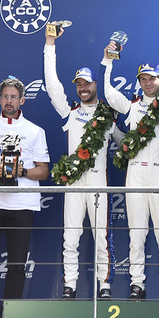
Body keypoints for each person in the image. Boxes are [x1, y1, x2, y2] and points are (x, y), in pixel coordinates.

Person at [102, 46, 159, 300]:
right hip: (135, 174)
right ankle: (138, 284)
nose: (147, 83)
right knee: (136, 234)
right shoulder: (132, 106)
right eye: (143, 79)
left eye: (152, 78)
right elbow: (107, 92)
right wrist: (108, 61)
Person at [45, 30, 118, 299]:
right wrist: (49, 44)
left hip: (99, 182)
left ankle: (105, 286)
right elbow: (52, 85)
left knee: (102, 237)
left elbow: (126, 143)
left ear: (96, 85)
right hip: (73, 183)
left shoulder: (109, 116)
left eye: (86, 83)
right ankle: (70, 286)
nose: (83, 88)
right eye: (78, 84)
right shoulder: (70, 112)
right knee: (71, 239)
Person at [0, 77, 49, 299]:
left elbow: (44, 171)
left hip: (22, 206)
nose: (9, 101)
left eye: (13, 97)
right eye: (5, 97)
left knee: (17, 265)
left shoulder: (35, 131)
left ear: (23, 101)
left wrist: (23, 172)